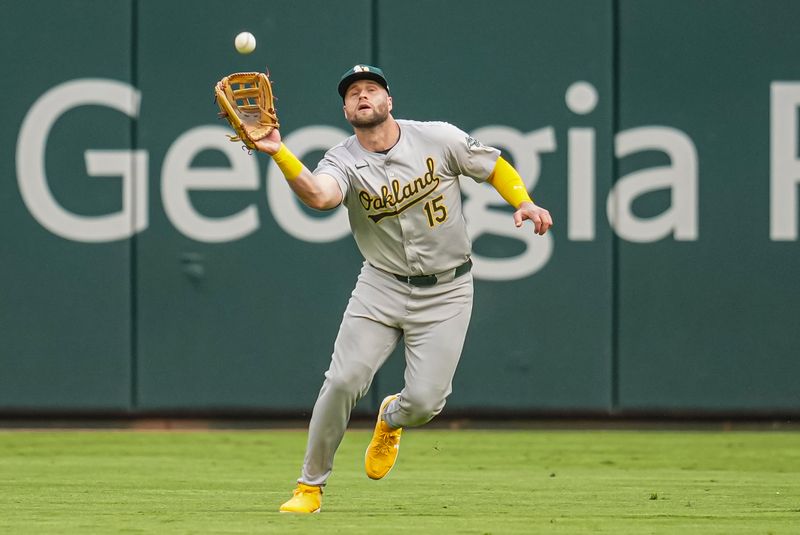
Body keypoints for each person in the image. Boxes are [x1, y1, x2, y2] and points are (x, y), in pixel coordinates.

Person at [254, 65, 552, 514]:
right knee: (341, 382)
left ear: (389, 101)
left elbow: (492, 165)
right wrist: (280, 153)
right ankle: (309, 488)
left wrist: (523, 201)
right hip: (381, 285)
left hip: (448, 289)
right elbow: (319, 196)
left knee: (426, 403)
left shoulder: (438, 138)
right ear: (345, 108)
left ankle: (391, 418)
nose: (362, 96)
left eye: (371, 89)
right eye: (353, 93)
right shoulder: (342, 159)